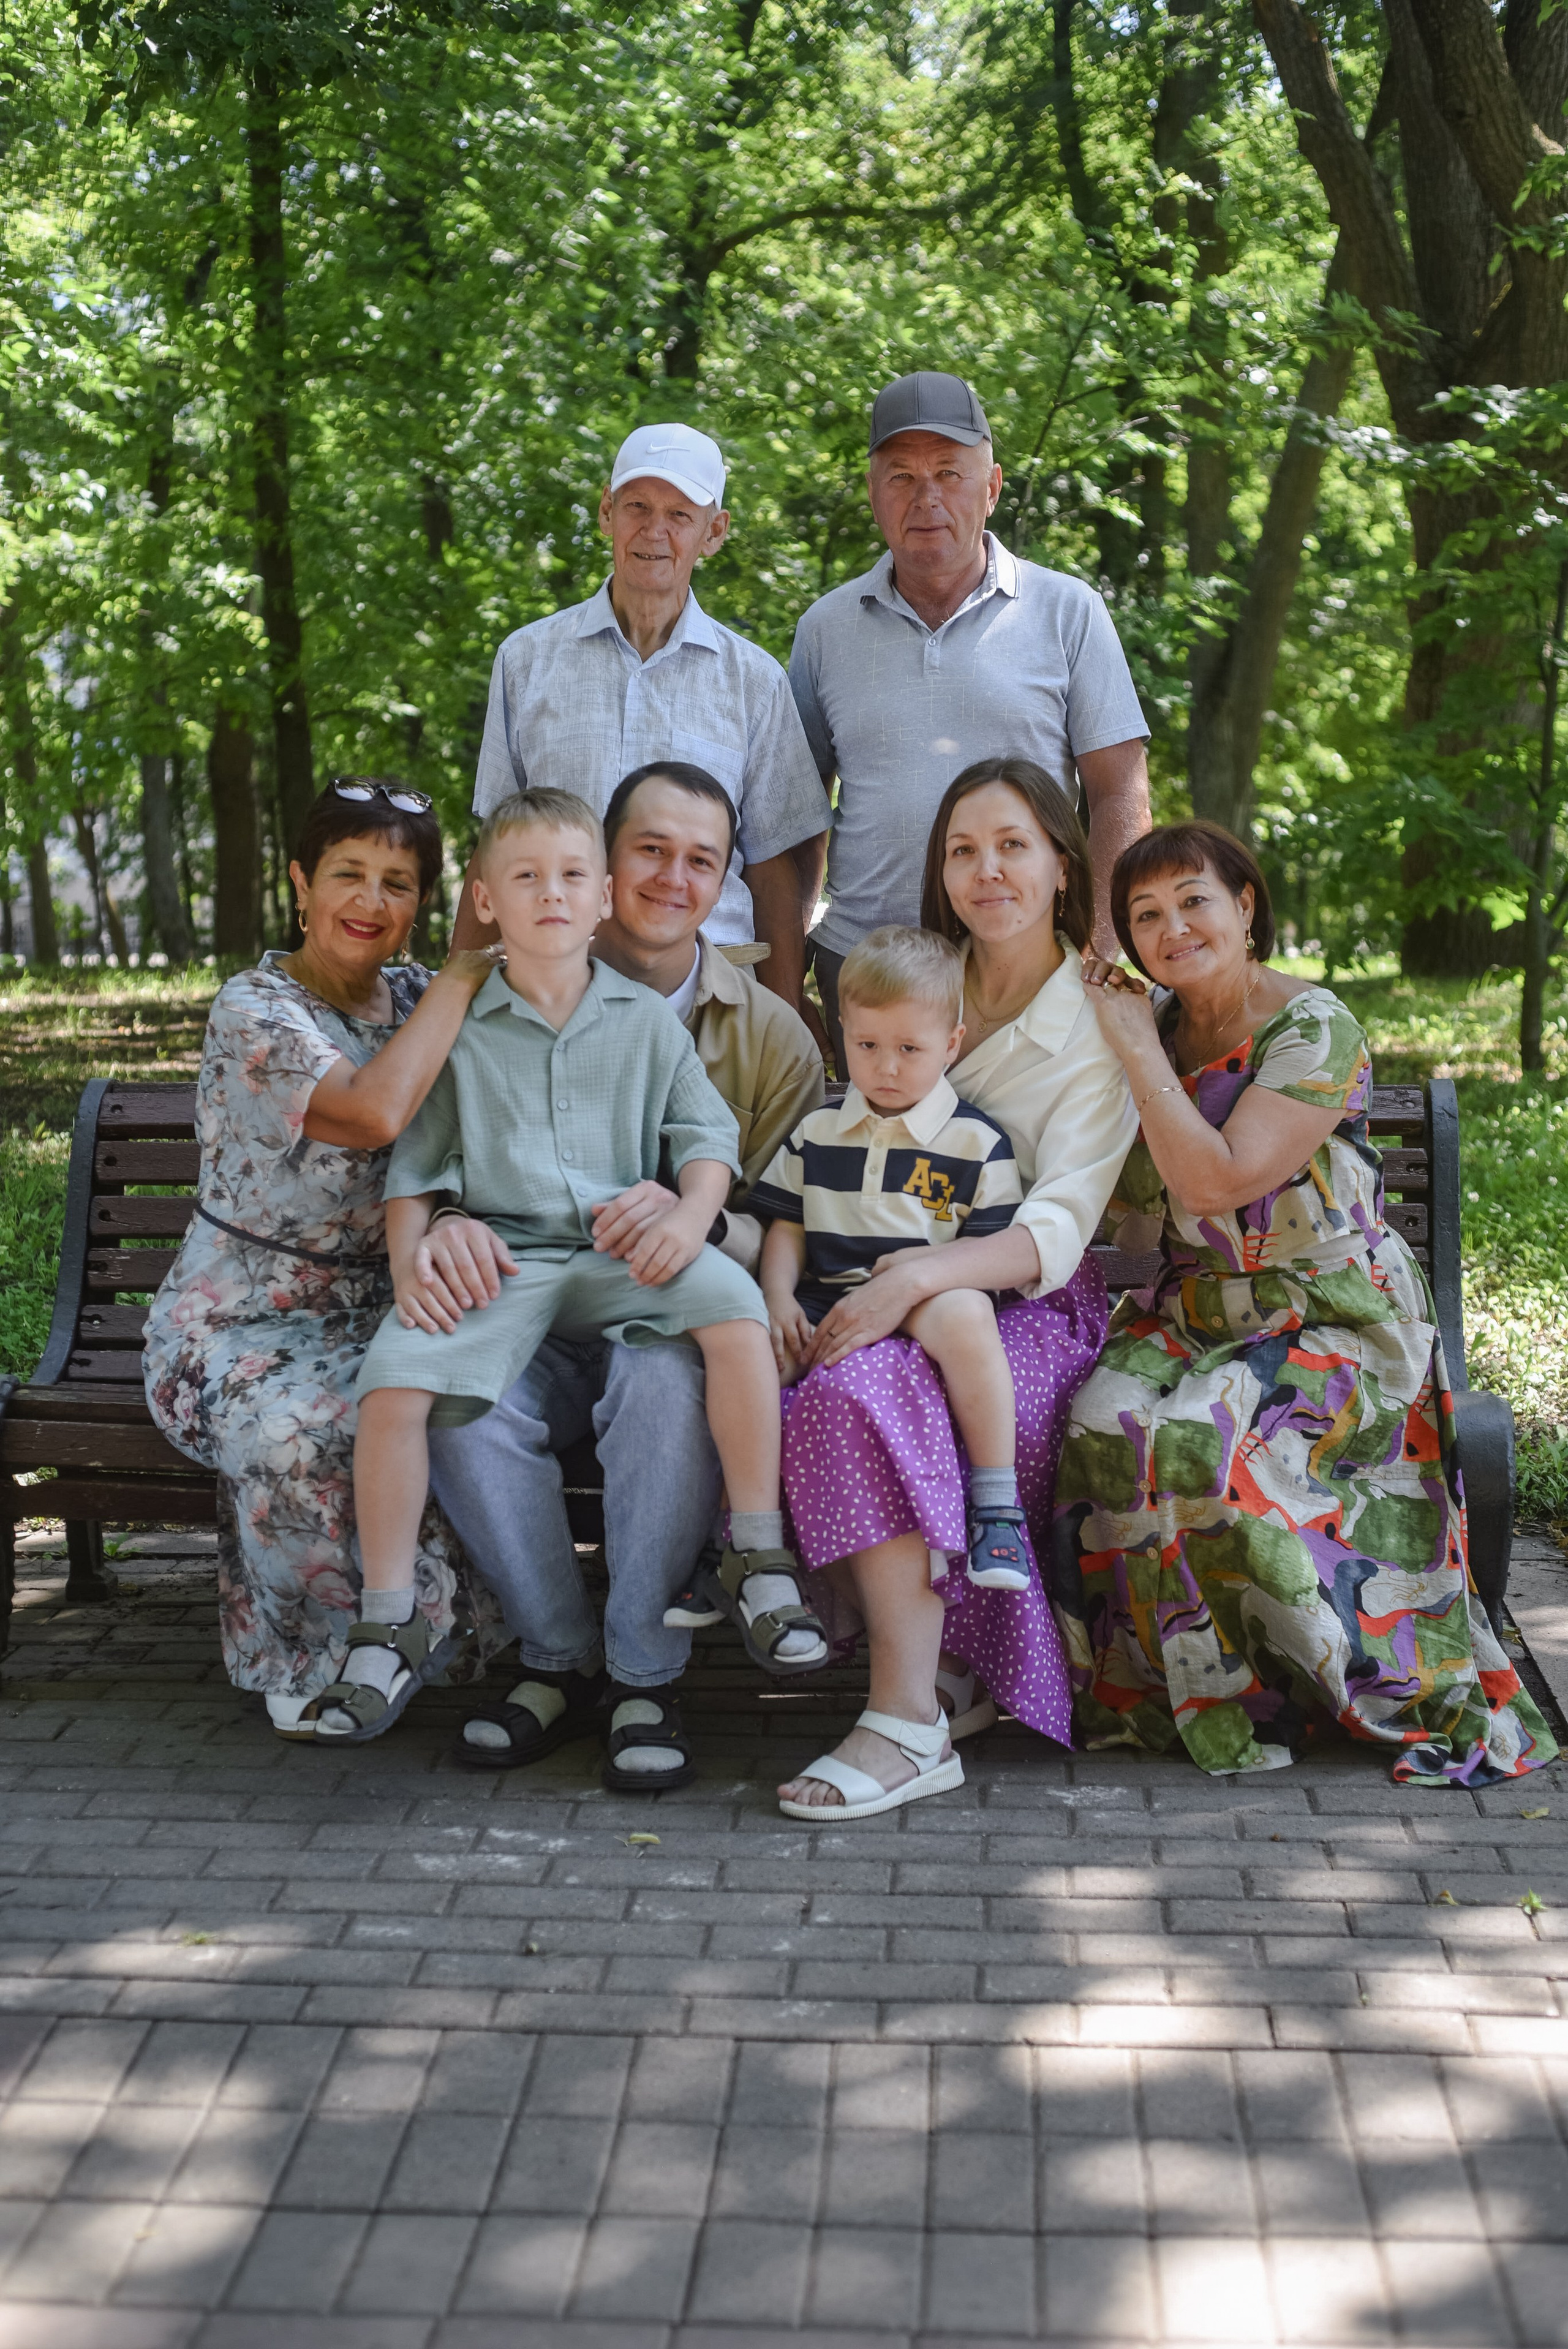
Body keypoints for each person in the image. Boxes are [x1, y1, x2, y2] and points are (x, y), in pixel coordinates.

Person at [1056, 820, 1556, 1784]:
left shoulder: (1313, 1025)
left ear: (1245, 907)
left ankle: (1292, 1684)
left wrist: (1129, 1047)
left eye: (1194, 901)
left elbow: (1219, 1182)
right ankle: (1165, 1688)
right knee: (1096, 1423)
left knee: (1202, 1438)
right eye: (1146, 914)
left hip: (1328, 1313)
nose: (1173, 928)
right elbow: (1119, 1195)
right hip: (1194, 1308)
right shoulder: (1153, 1028)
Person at [351, 785, 826, 1780]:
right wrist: (424, 1245)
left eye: (571, 879)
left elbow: (727, 1161)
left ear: (597, 894)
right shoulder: (468, 1020)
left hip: (628, 1279)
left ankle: (681, 1637)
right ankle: (553, 1659)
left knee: (684, 1366)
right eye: (528, 878)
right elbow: (419, 1161)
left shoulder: (696, 1029)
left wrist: (693, 1216)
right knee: (452, 1402)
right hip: (517, 1277)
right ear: (490, 896)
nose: (554, 896)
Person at [772, 756, 1139, 1820]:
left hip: (1021, 1307)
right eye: (963, 850)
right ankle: (938, 1676)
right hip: (882, 1275)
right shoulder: (923, 983)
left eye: (1014, 845)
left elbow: (1060, 1227)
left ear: (1064, 867)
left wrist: (922, 1278)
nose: (987, 871)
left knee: (859, 1392)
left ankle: (906, 1721)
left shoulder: (1100, 1018)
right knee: (819, 1374)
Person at [142, 780, 508, 1740]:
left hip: (390, 1297)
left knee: (448, 1399)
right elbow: (374, 1111)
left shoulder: (424, 993)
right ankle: (310, 1654)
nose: (370, 900)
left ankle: (444, 1639)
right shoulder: (255, 1008)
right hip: (242, 1319)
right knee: (300, 1424)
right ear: (301, 881)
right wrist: (468, 973)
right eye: (348, 872)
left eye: (397, 881)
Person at [788, 369, 1152, 1068]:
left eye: (950, 472)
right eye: (901, 477)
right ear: (872, 495)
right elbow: (792, 815)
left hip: (1031, 971)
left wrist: (1103, 947)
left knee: (1025, 1166)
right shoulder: (825, 630)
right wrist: (787, 978)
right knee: (881, 1170)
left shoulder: (1066, 612)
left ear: (991, 487)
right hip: (866, 974)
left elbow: (1119, 793)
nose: (926, 497)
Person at [456, 421, 829, 1031]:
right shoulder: (527, 660)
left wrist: (783, 1019)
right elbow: (497, 846)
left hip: (712, 998)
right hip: (553, 990)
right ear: (607, 512)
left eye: (680, 514)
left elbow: (774, 866)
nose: (654, 531)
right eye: (637, 506)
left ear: (715, 532)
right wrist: (457, 1004)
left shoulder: (754, 681)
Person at [755, 926, 1032, 1602]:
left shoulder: (976, 1143)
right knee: (742, 1361)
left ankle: (997, 1505)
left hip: (929, 1305)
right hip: (825, 1303)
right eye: (866, 1045)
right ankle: (742, 1545)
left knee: (965, 1306)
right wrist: (777, 1295)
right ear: (842, 1029)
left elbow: (985, 1254)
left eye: (910, 1049)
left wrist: (919, 1294)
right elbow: (787, 1224)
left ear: (951, 1044)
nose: (885, 1066)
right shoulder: (817, 1129)